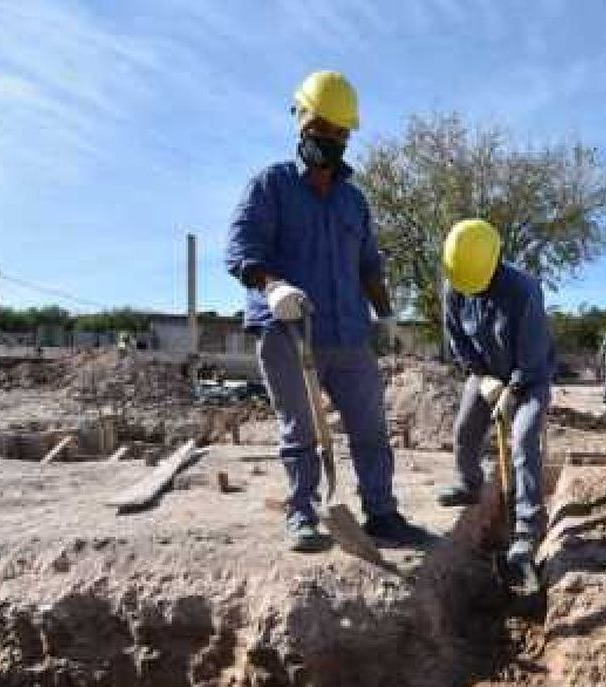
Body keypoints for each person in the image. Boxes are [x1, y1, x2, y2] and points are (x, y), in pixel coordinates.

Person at [225, 70, 419, 552]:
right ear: (301, 125)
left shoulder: (355, 202)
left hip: (349, 333)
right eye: (321, 130)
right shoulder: (270, 186)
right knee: (301, 430)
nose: (329, 141)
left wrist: (388, 316)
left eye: (339, 133)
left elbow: (369, 266)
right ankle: (303, 514)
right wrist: (272, 288)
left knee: (371, 428)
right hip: (287, 330)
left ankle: (381, 512)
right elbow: (241, 249)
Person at [434, 219, 556, 593]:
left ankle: (526, 530)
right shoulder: (456, 286)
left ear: (496, 261)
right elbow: (458, 340)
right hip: (486, 373)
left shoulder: (524, 291)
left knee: (522, 441)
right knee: (465, 430)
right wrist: (482, 377)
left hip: (529, 378)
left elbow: (533, 355)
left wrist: (514, 389)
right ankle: (470, 485)